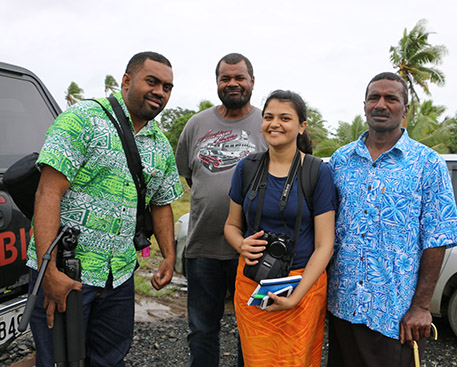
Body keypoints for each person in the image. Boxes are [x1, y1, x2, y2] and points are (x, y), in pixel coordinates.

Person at [27, 51, 183, 366]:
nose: (160, 92)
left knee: (109, 359)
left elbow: (162, 203)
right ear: (127, 81)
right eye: (151, 81)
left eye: (167, 87)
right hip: (69, 272)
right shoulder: (82, 118)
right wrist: (51, 272)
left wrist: (167, 255)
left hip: (119, 276)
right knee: (59, 359)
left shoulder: (160, 144)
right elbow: (47, 193)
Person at [327, 72, 457, 367]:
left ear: (405, 109)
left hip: (395, 314)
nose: (381, 104)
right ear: (364, 105)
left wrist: (421, 307)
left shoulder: (428, 163)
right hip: (342, 305)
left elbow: (437, 238)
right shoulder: (341, 160)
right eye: (374, 97)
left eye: (391, 98)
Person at [224, 90, 336, 366]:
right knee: (257, 360)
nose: (275, 124)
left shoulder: (317, 172)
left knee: (296, 360)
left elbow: (325, 245)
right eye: (269, 117)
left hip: (302, 285)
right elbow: (231, 225)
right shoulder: (246, 168)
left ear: (301, 126)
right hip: (254, 284)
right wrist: (240, 244)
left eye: (285, 118)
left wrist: (296, 296)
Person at [175, 53, 268, 367]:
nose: (232, 83)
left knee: (251, 330)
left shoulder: (267, 123)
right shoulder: (196, 124)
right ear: (217, 82)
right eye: (225, 78)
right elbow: (190, 175)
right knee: (201, 330)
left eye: (239, 77)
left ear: (252, 82)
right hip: (203, 247)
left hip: (253, 248)